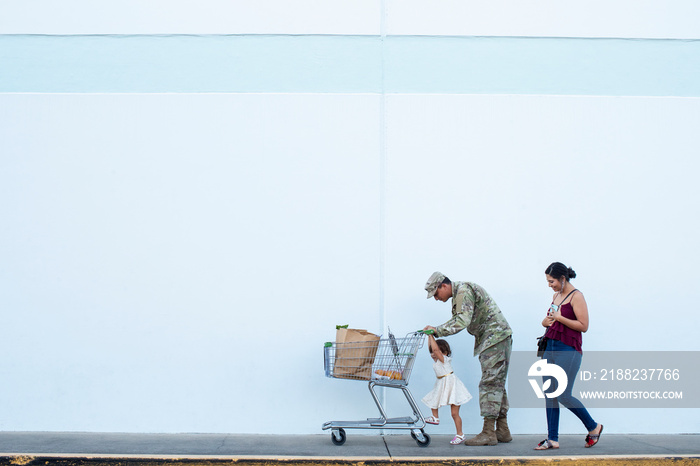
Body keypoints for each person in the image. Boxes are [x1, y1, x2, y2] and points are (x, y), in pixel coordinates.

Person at [423, 271, 513, 446]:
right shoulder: (460, 293)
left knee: (490, 384)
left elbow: (461, 321)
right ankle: (502, 430)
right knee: (496, 384)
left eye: (435, 293)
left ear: (444, 285)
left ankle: (488, 432)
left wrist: (436, 330)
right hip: (495, 338)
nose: (435, 298)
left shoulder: (463, 291)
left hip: (494, 338)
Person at [535, 262, 603, 450]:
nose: (550, 285)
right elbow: (551, 319)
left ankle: (594, 427)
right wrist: (545, 321)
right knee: (550, 393)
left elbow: (583, 326)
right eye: (548, 282)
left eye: (552, 281)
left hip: (568, 349)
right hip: (551, 346)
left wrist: (560, 318)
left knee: (563, 394)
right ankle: (552, 439)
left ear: (563, 279)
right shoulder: (556, 295)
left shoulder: (577, 296)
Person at [421, 334, 473, 445]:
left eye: (436, 352)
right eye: (431, 353)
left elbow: (435, 349)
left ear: (445, 353)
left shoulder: (444, 359)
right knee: (432, 398)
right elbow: (432, 347)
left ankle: (460, 434)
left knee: (454, 414)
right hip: (442, 383)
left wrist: (431, 335)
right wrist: (429, 336)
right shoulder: (437, 360)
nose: (433, 354)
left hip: (452, 385)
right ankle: (435, 417)